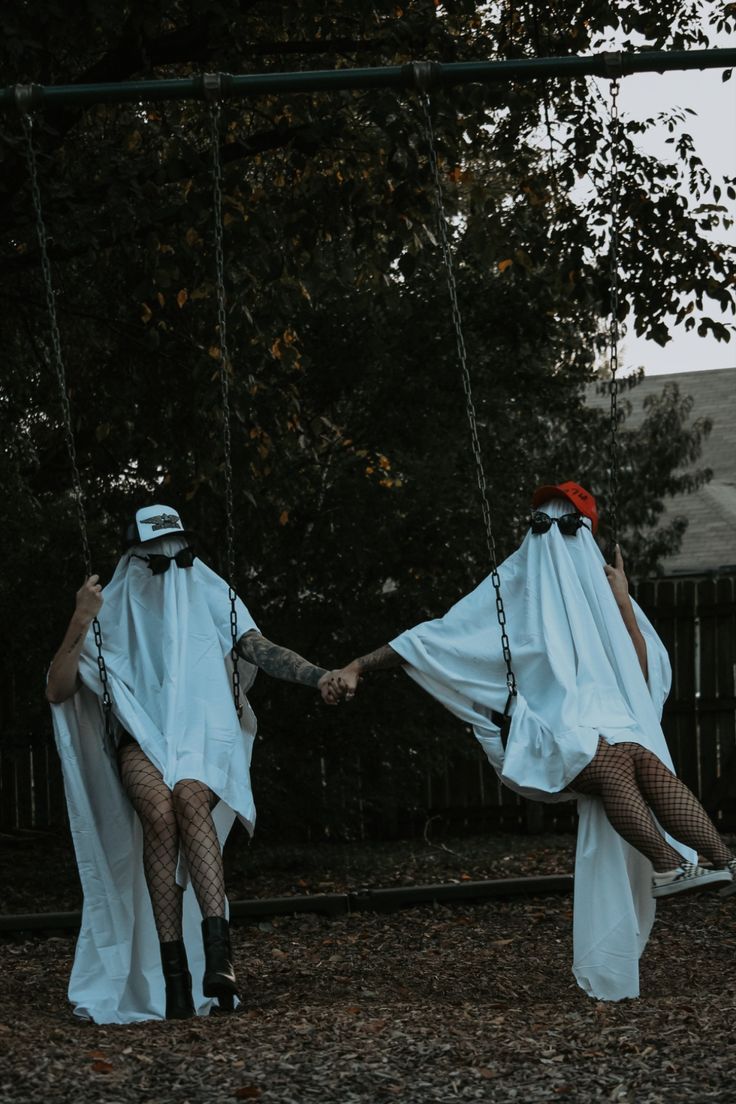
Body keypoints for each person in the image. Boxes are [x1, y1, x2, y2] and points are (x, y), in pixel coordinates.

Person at [330, 481, 736, 1000]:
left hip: (610, 724)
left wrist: (623, 602)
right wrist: (357, 665)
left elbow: (642, 676)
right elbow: (433, 637)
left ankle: (721, 859)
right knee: (609, 764)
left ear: (586, 535)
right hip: (546, 733)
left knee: (643, 759)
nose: (553, 536)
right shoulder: (514, 583)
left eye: (568, 526)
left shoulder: (601, 592)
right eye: (541, 524)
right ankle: (667, 865)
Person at [47, 504, 343, 1024]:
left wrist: (318, 675)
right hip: (141, 738)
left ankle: (217, 959)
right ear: (133, 556)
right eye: (154, 557)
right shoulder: (111, 605)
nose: (169, 564)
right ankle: (174, 978)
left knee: (188, 795)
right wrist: (79, 618)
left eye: (179, 554)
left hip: (202, 736)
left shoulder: (209, 590)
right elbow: (57, 688)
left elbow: (259, 648)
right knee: (159, 813)